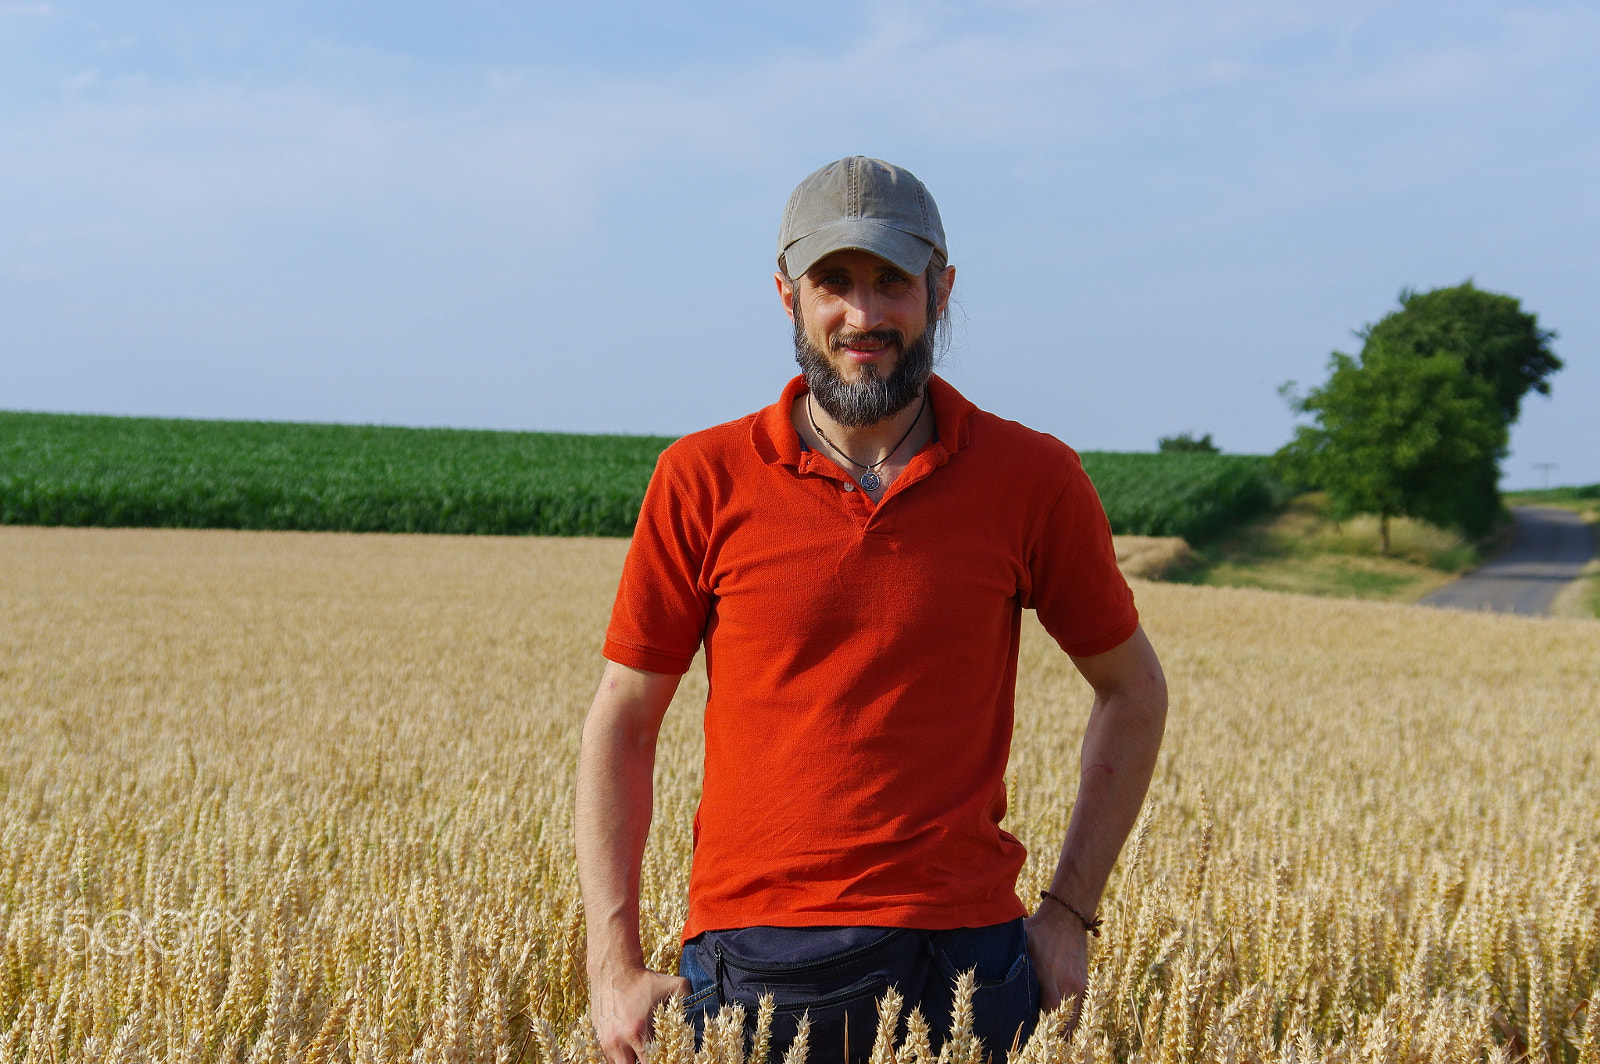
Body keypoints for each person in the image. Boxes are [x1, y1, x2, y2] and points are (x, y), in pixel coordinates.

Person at [576, 156, 1167, 1064]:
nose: (863, 315)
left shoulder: (1033, 479)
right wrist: (610, 961)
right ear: (787, 296)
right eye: (835, 283)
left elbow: (1132, 686)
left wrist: (1070, 912)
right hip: (762, 964)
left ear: (941, 290)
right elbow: (623, 718)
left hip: (972, 968)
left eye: (892, 281)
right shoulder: (701, 478)